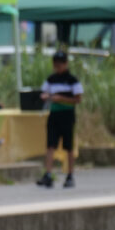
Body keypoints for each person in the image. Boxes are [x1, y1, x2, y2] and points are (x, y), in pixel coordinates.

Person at [36, 51, 83, 189]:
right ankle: (48, 174)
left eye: (61, 63)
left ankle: (70, 175)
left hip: (67, 115)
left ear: (66, 64)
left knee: (68, 146)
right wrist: (46, 97)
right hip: (54, 115)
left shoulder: (72, 80)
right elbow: (43, 93)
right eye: (56, 64)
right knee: (50, 145)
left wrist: (60, 98)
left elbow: (78, 99)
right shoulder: (51, 79)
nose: (58, 66)